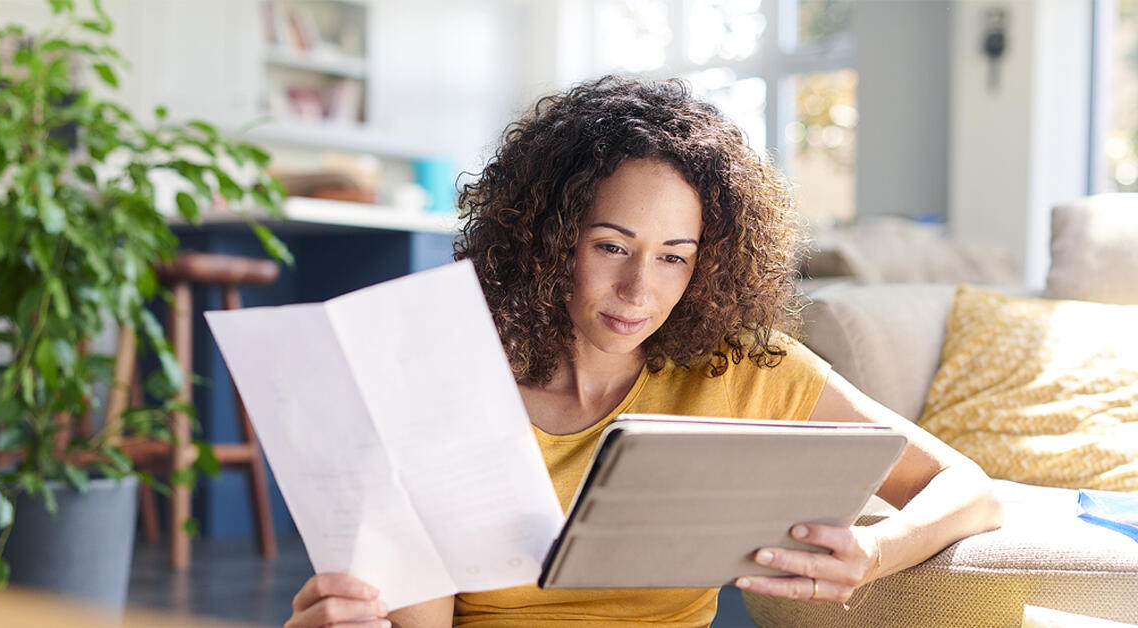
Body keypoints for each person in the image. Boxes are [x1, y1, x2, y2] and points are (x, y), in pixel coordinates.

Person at [284, 76, 1004, 628]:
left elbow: (967, 489)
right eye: (610, 247)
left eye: (673, 258)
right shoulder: (451, 382)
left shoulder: (746, 370)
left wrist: (874, 554)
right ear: (548, 237)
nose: (637, 290)